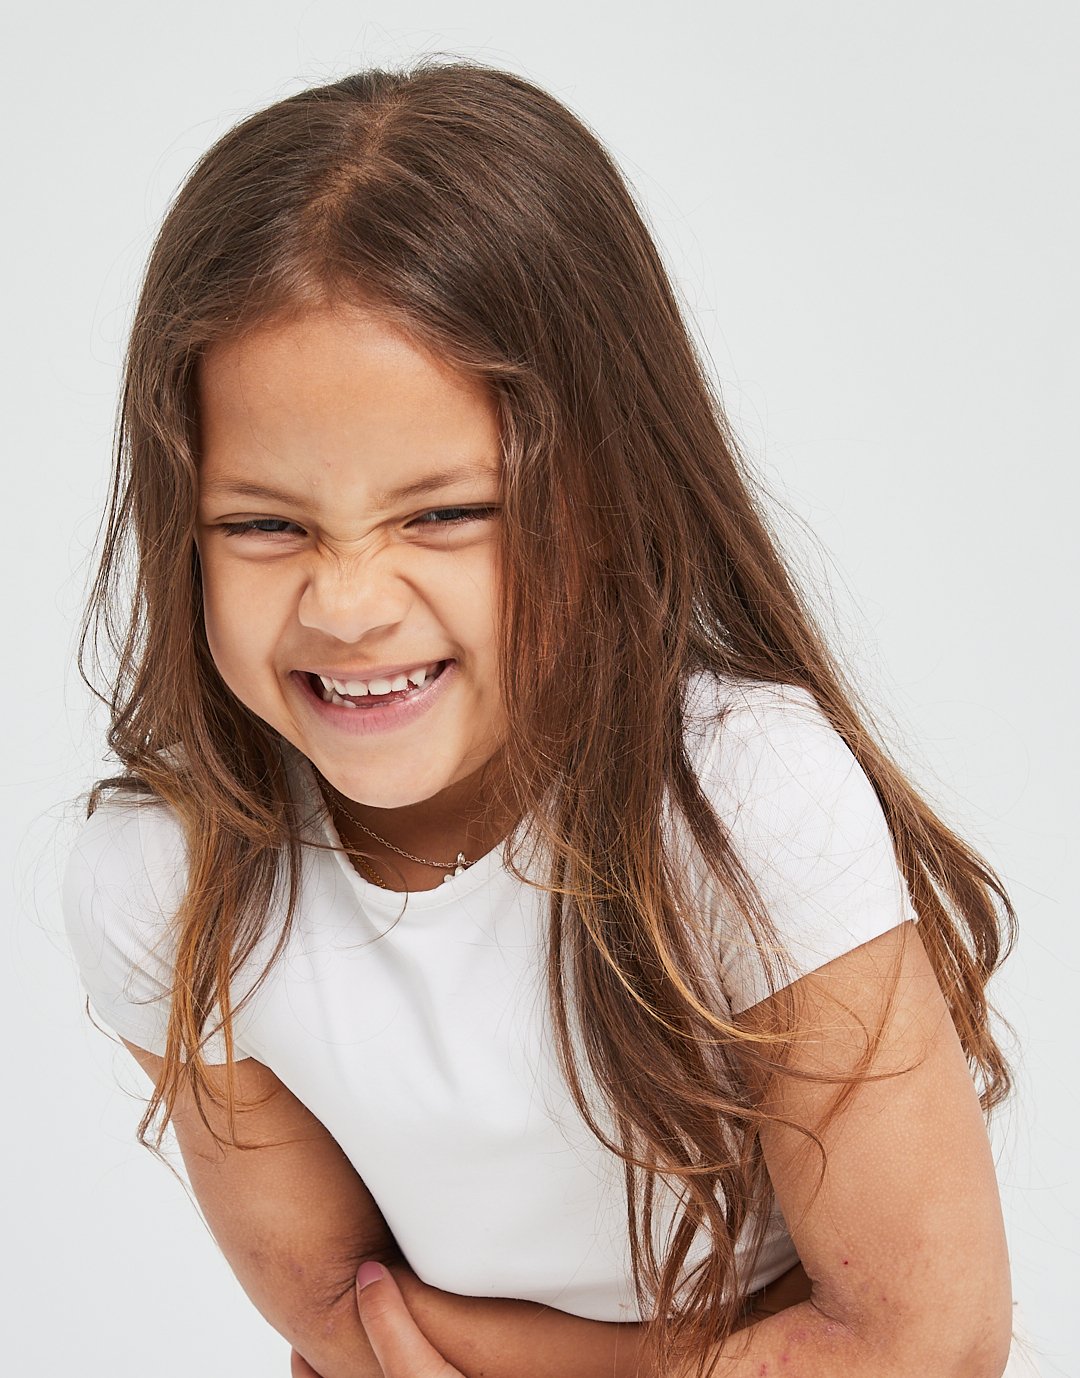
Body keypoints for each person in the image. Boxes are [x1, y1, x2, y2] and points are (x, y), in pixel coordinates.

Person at [63, 62, 1031, 1378]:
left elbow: (931, 1340)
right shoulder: (164, 879)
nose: (347, 604)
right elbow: (347, 1327)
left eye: (444, 512)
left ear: (609, 492)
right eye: (264, 525)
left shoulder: (747, 798)